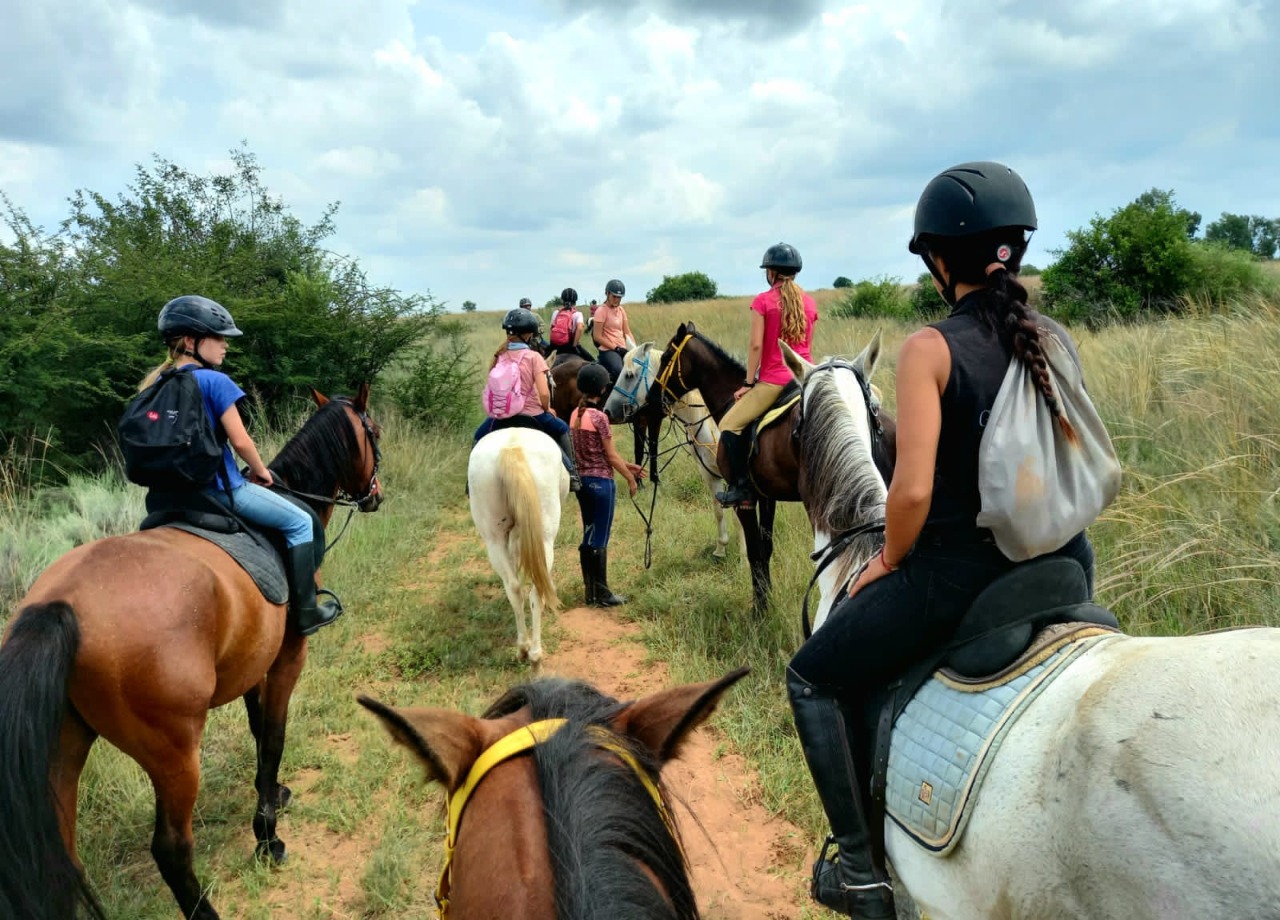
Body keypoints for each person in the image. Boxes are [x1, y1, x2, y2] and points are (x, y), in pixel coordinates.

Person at [786, 162, 1100, 918]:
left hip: (962, 574)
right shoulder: (1049, 336)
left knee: (812, 677)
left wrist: (889, 559)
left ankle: (860, 874)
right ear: (1012, 251)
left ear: (937, 260)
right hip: (1065, 562)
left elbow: (914, 491)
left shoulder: (929, 347)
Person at [142, 295, 343, 636]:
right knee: (299, 522)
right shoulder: (215, 382)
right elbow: (241, 442)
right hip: (218, 493)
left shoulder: (155, 386)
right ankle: (306, 612)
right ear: (191, 342)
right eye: (218, 337)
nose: (225, 346)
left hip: (166, 500)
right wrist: (261, 471)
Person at [715, 243, 818, 508]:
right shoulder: (809, 302)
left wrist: (749, 382)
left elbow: (756, 346)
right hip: (807, 379)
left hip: (775, 381)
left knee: (729, 424)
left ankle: (741, 488)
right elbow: (808, 347)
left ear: (771, 272)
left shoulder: (763, 301)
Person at [474, 307, 581, 491]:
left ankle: (471, 482)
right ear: (529, 334)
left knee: (477, 436)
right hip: (532, 415)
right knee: (562, 429)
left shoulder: (499, 356)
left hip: (501, 416)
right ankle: (572, 474)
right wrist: (547, 409)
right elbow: (544, 393)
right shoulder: (534, 357)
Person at [569, 363, 645, 606]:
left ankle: (590, 592)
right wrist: (630, 478)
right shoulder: (600, 418)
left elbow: (596, 452)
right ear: (602, 390)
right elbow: (609, 457)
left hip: (583, 482)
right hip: (602, 483)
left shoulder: (576, 415)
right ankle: (602, 594)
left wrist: (627, 465)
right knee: (600, 537)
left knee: (588, 533)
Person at [591, 279, 636, 381]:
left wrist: (634, 349)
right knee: (619, 371)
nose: (616, 299)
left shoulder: (621, 310)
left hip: (623, 349)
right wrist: (616, 348)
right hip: (608, 350)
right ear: (607, 294)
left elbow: (627, 332)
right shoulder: (601, 311)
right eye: (614, 296)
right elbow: (597, 336)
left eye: (619, 297)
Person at [548, 287, 593, 362]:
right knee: (592, 361)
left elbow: (552, 328)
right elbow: (580, 328)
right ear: (575, 301)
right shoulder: (578, 314)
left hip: (554, 346)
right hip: (569, 346)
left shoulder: (556, 313)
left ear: (562, 300)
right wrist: (574, 346)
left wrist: (552, 345)